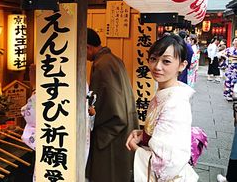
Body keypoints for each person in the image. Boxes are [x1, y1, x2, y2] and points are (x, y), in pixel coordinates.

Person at [126, 34, 199, 181]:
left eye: (166, 61)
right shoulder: (165, 92)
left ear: (182, 65)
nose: (157, 67)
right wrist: (143, 134)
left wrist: (137, 149)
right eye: (153, 59)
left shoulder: (175, 103)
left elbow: (167, 164)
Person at [85, 28, 139, 182]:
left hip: (113, 132)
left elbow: (111, 107)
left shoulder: (103, 65)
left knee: (108, 174)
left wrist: (92, 118)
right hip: (123, 128)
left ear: (88, 47)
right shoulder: (111, 59)